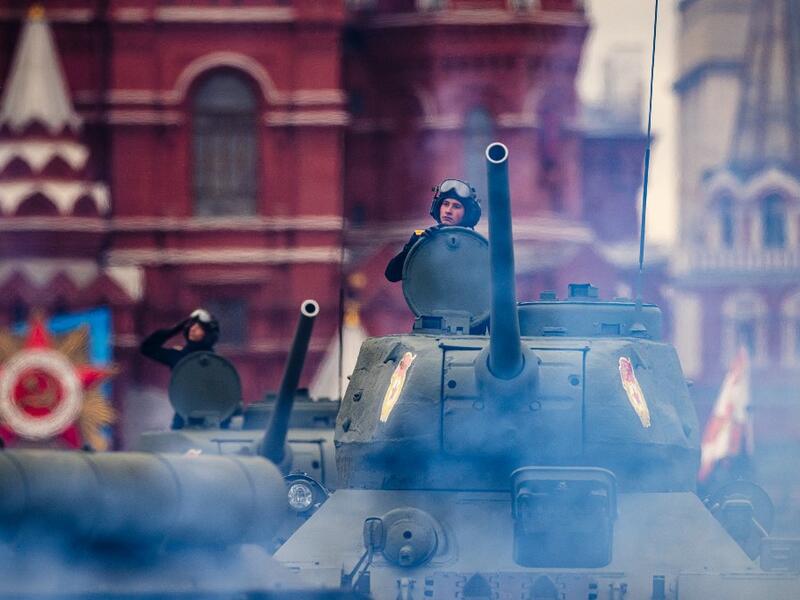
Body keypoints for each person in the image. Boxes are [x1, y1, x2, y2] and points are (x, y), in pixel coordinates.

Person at [385, 178, 482, 282]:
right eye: (445, 204)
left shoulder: (476, 246)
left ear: (468, 214)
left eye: (456, 206)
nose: (448, 211)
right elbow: (391, 274)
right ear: (437, 207)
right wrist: (413, 247)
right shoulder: (425, 237)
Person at [140, 308, 220, 429]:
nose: (192, 329)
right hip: (183, 417)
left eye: (199, 328)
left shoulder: (215, 361)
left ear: (207, 333)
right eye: (191, 326)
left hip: (212, 419)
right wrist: (175, 329)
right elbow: (147, 348)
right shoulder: (179, 355)